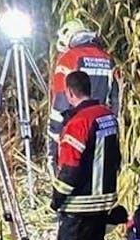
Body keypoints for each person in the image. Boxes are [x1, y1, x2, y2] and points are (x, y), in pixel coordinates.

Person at [51, 70, 122, 240]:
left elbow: (70, 168)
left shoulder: (78, 122)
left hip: (81, 202)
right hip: (104, 201)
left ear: (70, 92)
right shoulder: (106, 116)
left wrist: (57, 198)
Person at [47, 21, 120, 164]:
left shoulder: (69, 59)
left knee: (70, 178)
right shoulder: (107, 59)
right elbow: (115, 99)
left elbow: (61, 100)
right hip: (102, 129)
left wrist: (54, 134)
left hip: (75, 130)